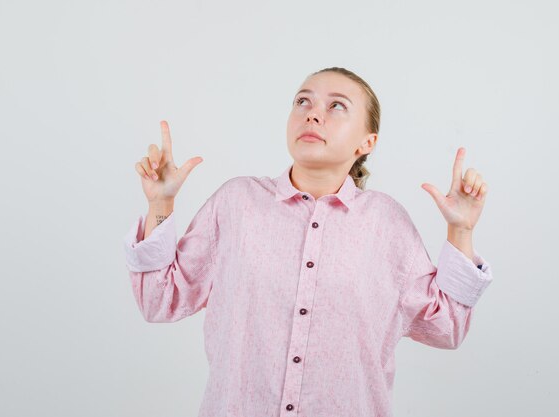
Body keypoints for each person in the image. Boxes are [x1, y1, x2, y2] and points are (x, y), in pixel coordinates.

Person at [122, 67, 493, 417]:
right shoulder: (237, 203)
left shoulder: (387, 223)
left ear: (367, 142)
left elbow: (447, 328)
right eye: (303, 101)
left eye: (336, 106)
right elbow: (159, 301)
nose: (313, 115)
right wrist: (160, 203)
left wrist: (461, 230)